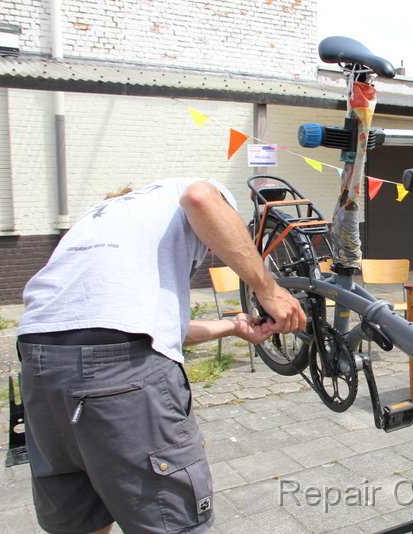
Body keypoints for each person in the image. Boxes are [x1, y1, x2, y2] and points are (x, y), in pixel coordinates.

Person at [16, 178, 306, 534]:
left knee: (80, 519)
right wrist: (268, 289)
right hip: (120, 372)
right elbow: (200, 198)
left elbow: (128, 324)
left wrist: (232, 327)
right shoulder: (186, 190)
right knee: (170, 522)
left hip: (40, 363)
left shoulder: (101, 218)